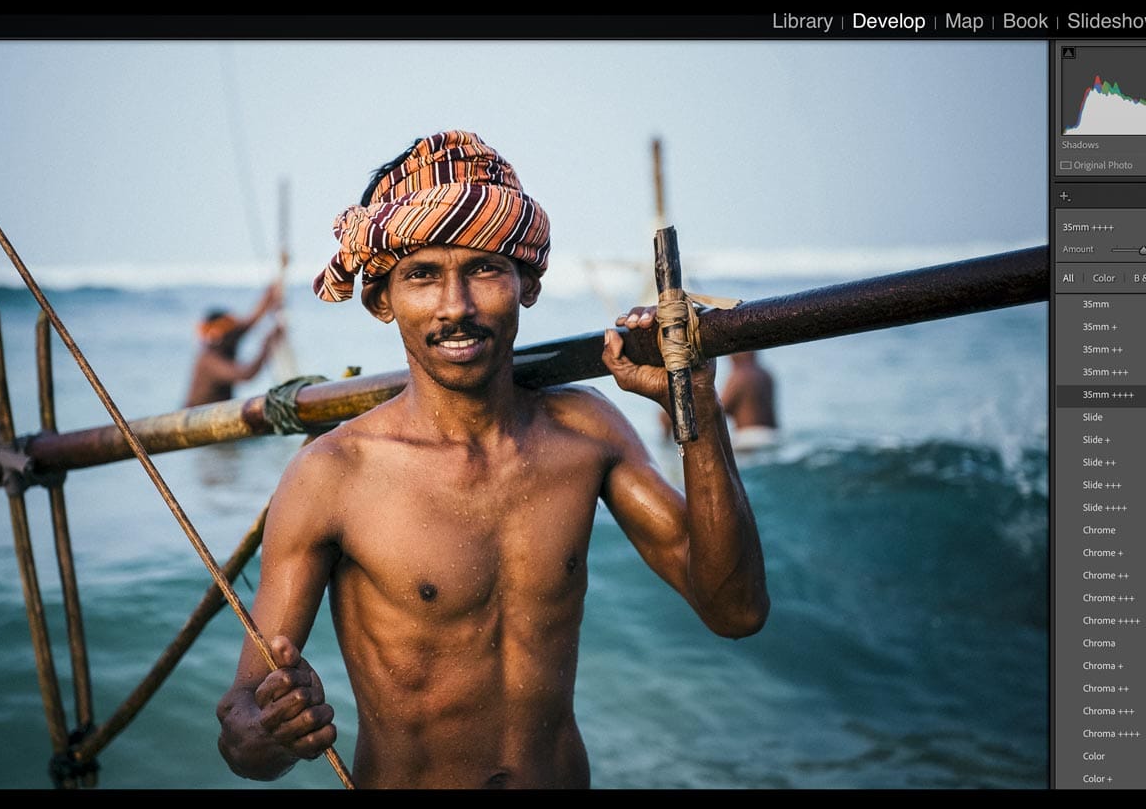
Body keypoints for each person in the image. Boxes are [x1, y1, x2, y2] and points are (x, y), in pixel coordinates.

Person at [215, 130, 769, 789]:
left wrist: (698, 410)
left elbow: (734, 611)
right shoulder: (335, 473)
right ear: (381, 300)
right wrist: (275, 732)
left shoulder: (586, 431)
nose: (457, 307)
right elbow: (244, 730)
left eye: (484, 269)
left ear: (526, 284)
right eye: (422, 275)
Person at [184, 280, 286, 407]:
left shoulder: (226, 338)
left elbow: (250, 321)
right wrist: (267, 345)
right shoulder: (208, 359)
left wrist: (269, 295)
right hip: (197, 420)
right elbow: (246, 374)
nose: (235, 334)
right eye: (231, 332)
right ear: (217, 335)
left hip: (217, 415)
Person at [720, 351, 779, 451]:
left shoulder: (738, 376)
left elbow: (721, 409)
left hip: (748, 439)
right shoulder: (766, 374)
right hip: (773, 436)